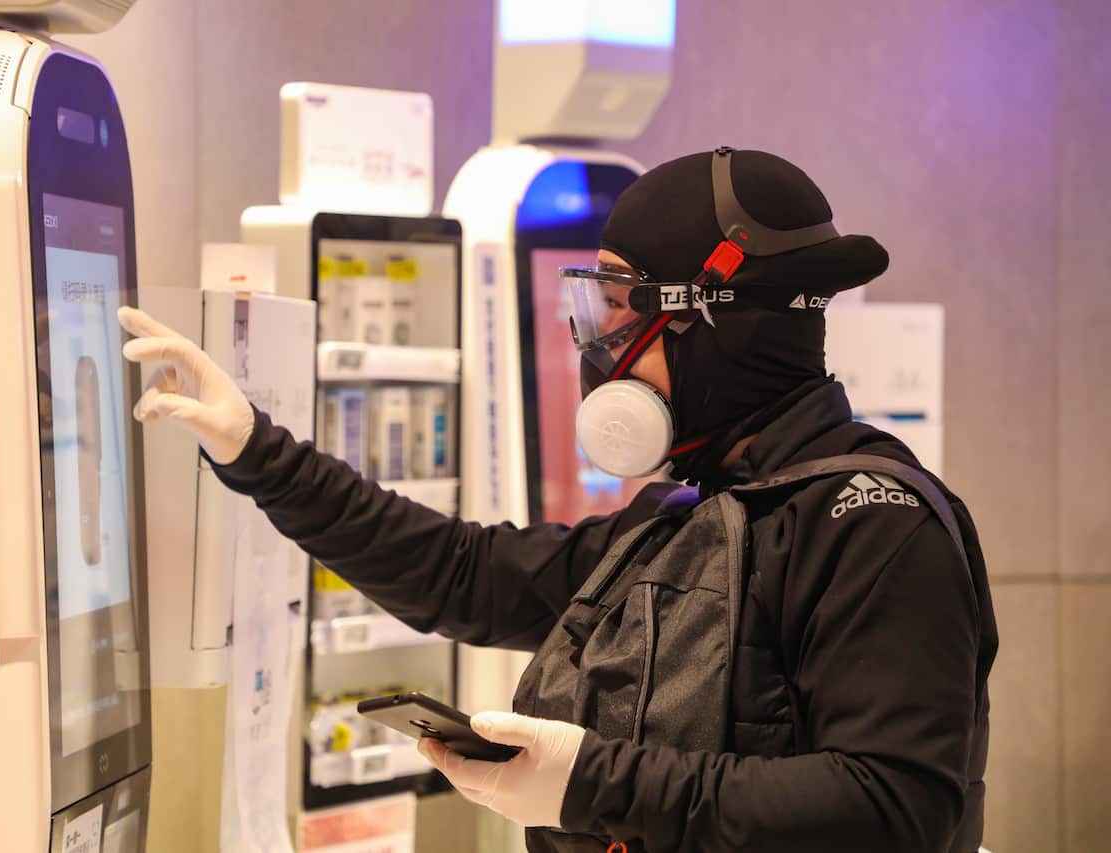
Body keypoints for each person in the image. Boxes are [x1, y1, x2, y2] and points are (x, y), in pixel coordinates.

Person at [119, 147, 997, 853]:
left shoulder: (875, 521)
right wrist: (256, 450)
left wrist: (588, 782)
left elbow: (892, 804)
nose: (599, 345)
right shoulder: (690, 516)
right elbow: (466, 574)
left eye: (620, 307)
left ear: (713, 319)